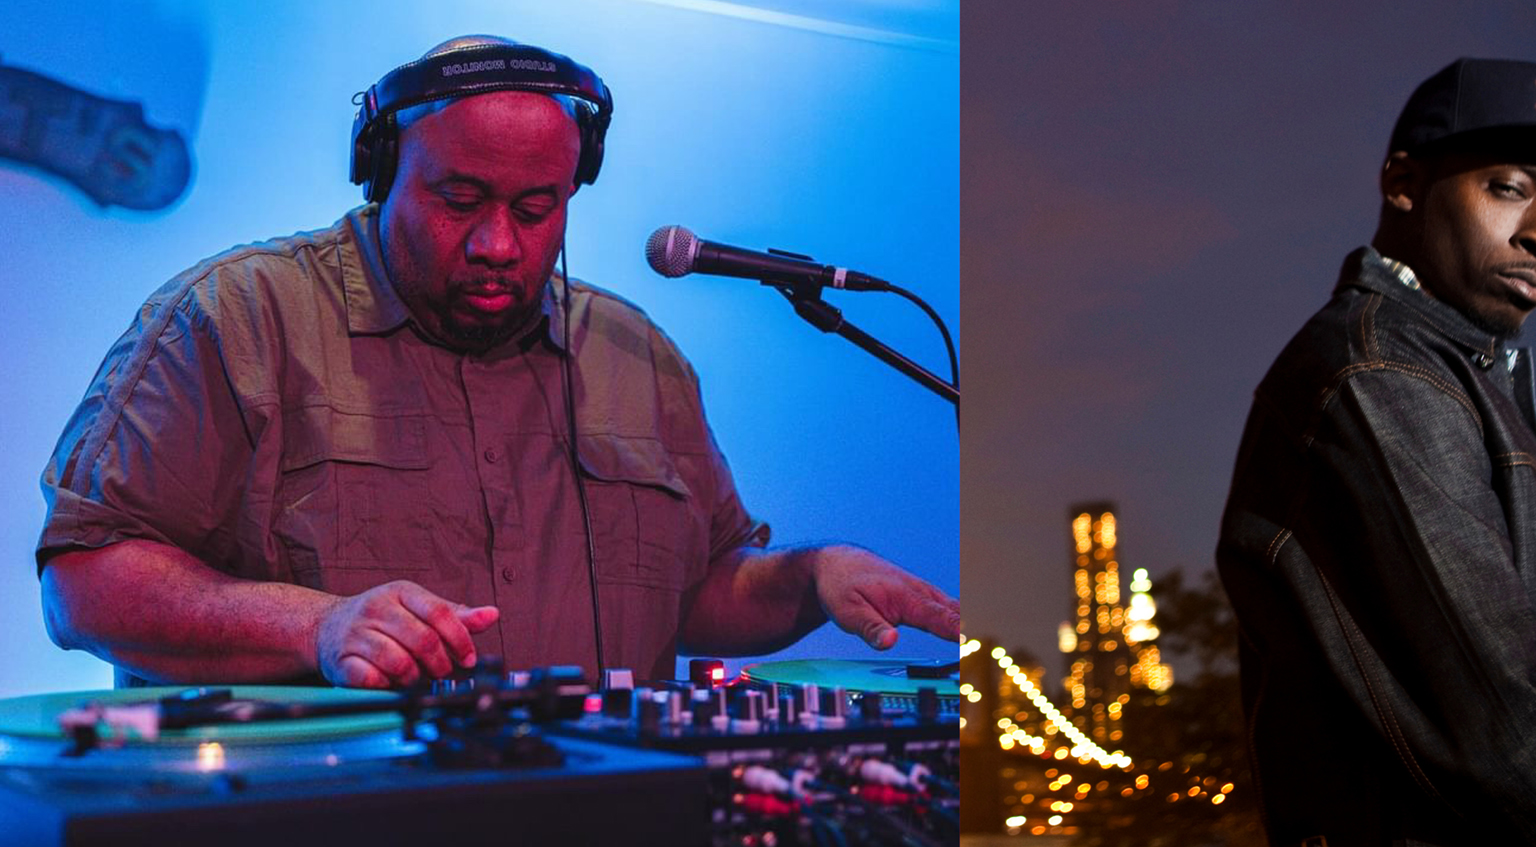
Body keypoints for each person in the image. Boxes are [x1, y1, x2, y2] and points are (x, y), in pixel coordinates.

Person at [37, 36, 959, 691]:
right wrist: (317, 626)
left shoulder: (638, 357)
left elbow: (699, 594)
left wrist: (812, 575)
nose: (497, 242)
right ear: (382, 170)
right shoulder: (236, 316)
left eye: (535, 208)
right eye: (460, 197)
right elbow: (87, 581)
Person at [1215, 59, 1536, 846]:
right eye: (1508, 188)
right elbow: (1511, 727)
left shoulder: (1464, 377)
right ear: (1403, 182)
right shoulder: (1376, 377)